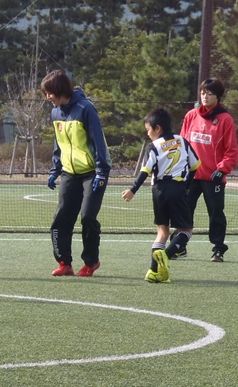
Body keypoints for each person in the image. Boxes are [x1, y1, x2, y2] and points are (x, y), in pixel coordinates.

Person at [41, 70, 111, 277]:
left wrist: (101, 172)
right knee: (61, 218)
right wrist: (56, 169)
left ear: (60, 89)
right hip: (70, 173)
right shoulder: (55, 113)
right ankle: (64, 263)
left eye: (50, 93)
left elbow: (99, 142)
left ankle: (91, 262)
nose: (47, 97)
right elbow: (58, 143)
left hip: (93, 173)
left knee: (88, 217)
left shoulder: (86, 109)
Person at [122, 108, 200, 284]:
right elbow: (196, 165)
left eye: (148, 130)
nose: (148, 134)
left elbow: (145, 171)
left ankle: (153, 271)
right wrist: (187, 186)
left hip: (158, 190)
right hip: (177, 187)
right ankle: (166, 255)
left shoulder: (154, 146)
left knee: (162, 231)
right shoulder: (182, 141)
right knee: (186, 230)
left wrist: (133, 190)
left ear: (157, 128)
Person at [178, 78, 238, 262]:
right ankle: (180, 246)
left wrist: (222, 170)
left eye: (209, 93)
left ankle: (218, 249)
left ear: (217, 96)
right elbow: (182, 144)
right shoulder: (191, 116)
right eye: (203, 92)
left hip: (214, 178)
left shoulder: (225, 119)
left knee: (216, 213)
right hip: (191, 176)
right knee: (184, 210)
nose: (205, 96)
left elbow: (232, 151)